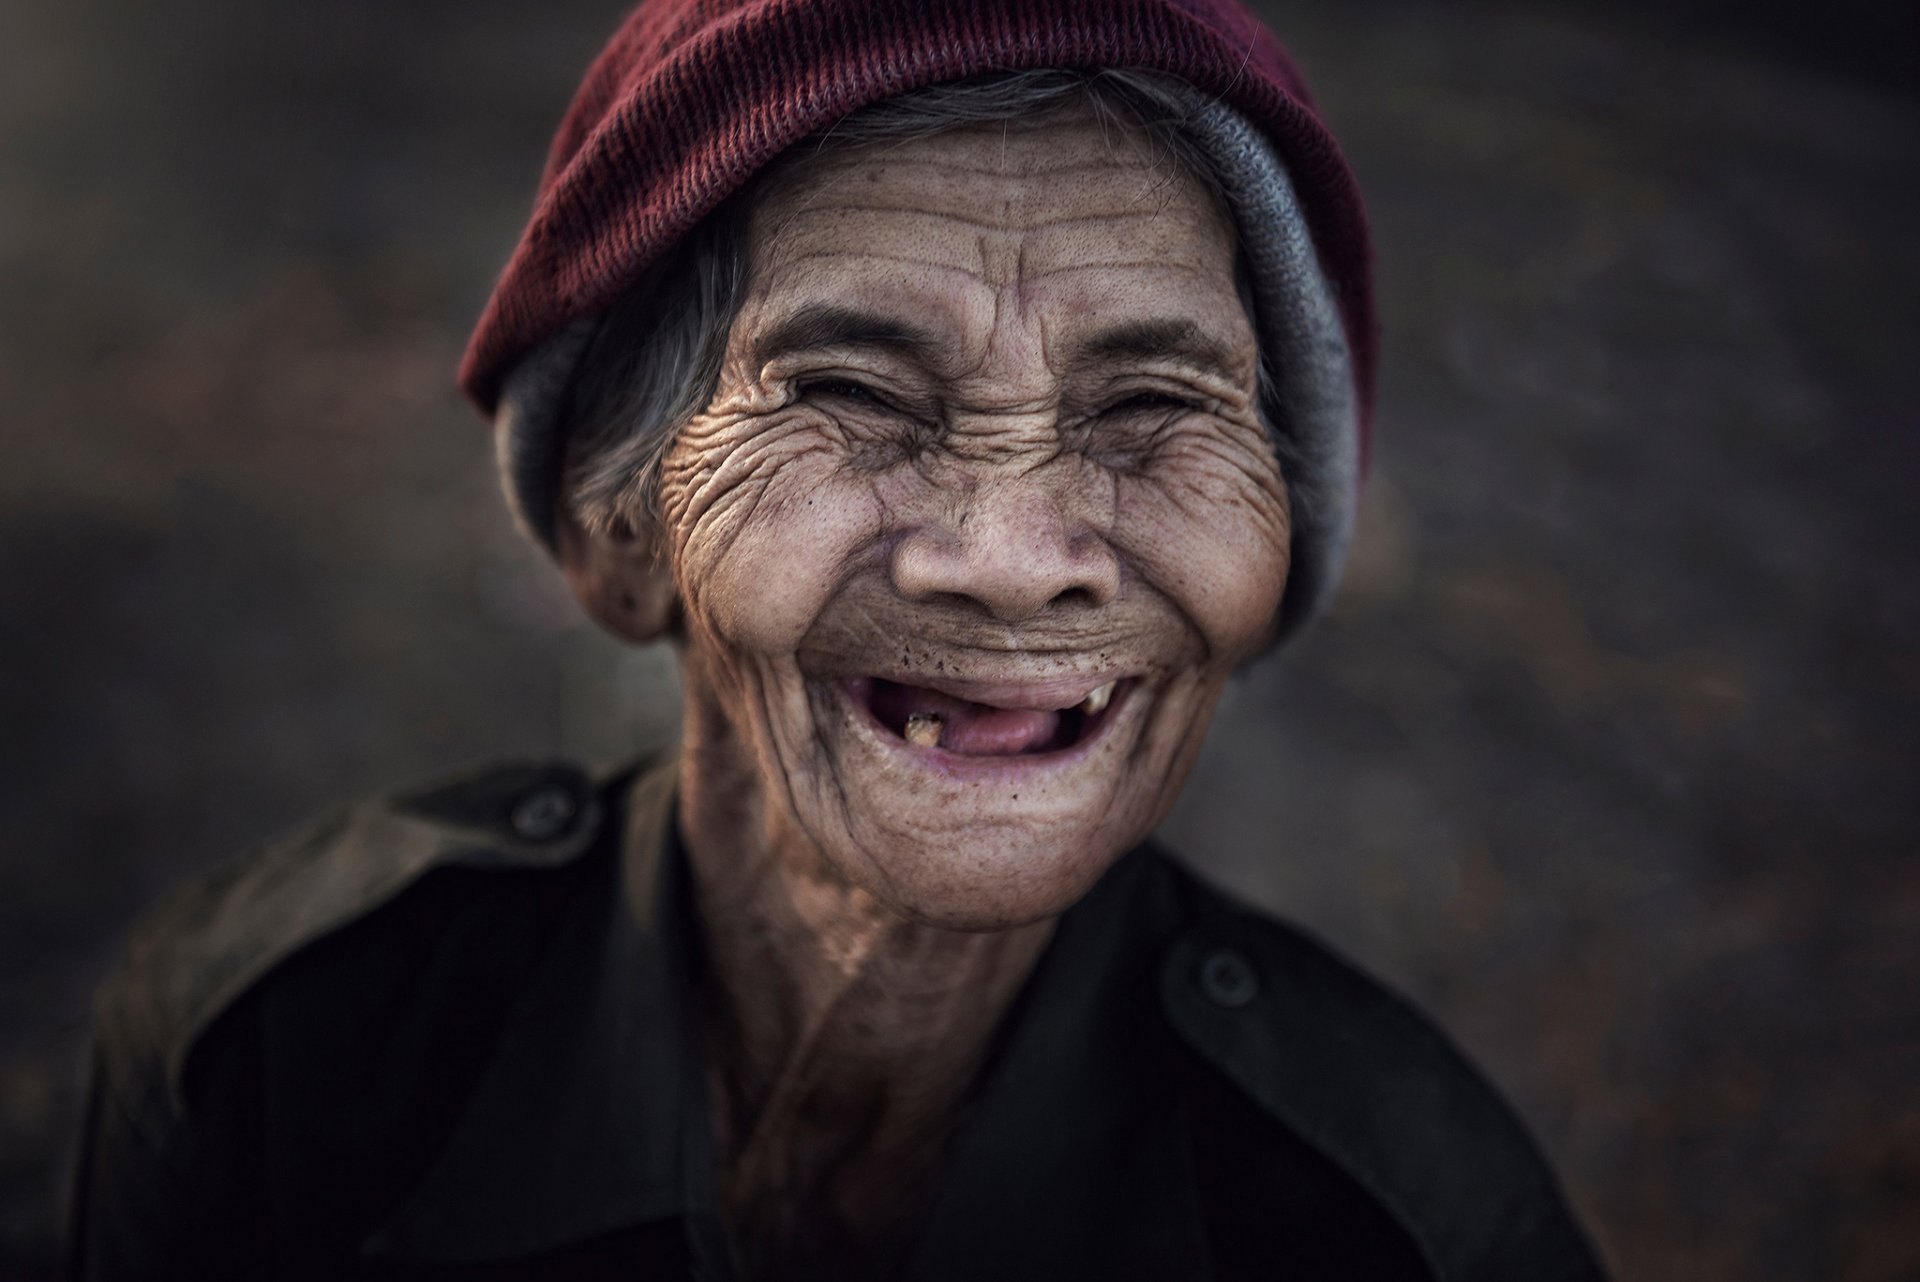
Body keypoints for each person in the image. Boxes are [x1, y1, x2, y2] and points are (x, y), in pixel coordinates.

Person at [68, 1, 1608, 1278]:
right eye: (852, 392)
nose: (1010, 562)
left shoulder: (1405, 1225)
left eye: (1152, 407)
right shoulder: (283, 1045)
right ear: (620, 531)